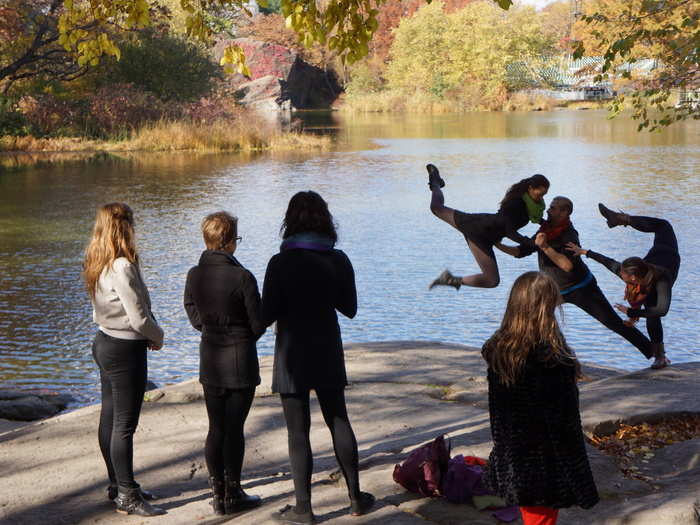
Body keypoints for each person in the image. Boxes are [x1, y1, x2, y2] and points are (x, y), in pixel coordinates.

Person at [261, 191, 375, 524]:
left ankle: (304, 509)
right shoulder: (337, 259)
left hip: (292, 354)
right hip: (326, 347)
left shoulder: (279, 262)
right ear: (325, 219)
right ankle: (355, 498)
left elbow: (267, 313)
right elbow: (350, 309)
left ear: (290, 221)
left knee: (298, 432)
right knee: (338, 418)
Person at [482, 271, 599, 525]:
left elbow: (499, 412)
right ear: (547, 307)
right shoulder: (551, 359)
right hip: (545, 463)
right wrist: (575, 471)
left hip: (514, 456)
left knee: (532, 514)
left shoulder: (502, 349)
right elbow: (563, 420)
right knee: (541, 519)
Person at [82, 203, 166, 517]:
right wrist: (157, 336)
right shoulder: (121, 266)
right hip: (124, 349)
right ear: (125, 227)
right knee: (124, 425)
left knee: (110, 417)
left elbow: (99, 310)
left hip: (104, 341)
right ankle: (128, 496)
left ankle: (118, 485)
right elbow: (139, 317)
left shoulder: (95, 260)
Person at [495, 196, 654, 360]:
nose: (548, 210)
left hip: (582, 288)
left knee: (612, 322)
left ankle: (653, 352)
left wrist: (545, 247)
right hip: (554, 290)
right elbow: (521, 251)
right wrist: (497, 244)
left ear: (564, 213)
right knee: (529, 318)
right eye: (550, 207)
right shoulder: (546, 229)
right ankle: (519, 355)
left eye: (553, 208)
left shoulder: (569, 235)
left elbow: (567, 266)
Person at [184, 211, 264, 515]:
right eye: (236, 238)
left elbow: (190, 306)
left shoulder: (194, 274)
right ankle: (234, 492)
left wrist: (205, 327)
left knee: (216, 428)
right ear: (228, 241)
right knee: (235, 429)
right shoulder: (242, 276)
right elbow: (258, 323)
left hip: (210, 359)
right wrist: (242, 335)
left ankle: (217, 495)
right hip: (240, 360)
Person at [566, 204, 680, 369]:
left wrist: (631, 312)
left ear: (633, 277)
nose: (622, 277)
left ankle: (660, 357)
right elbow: (609, 263)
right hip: (656, 253)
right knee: (663, 225)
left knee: (653, 311)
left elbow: (662, 310)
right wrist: (585, 252)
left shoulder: (662, 280)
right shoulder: (628, 273)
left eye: (624, 276)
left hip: (669, 255)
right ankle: (621, 219)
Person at [427, 164, 548, 290]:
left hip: (487, 238)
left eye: (544, 195)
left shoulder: (531, 206)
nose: (542, 198)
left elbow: (530, 219)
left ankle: (450, 279)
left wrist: (546, 224)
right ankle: (436, 183)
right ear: (530, 188)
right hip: (477, 227)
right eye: (540, 194)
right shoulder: (516, 203)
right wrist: (531, 243)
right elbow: (509, 231)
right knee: (436, 208)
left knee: (492, 280)